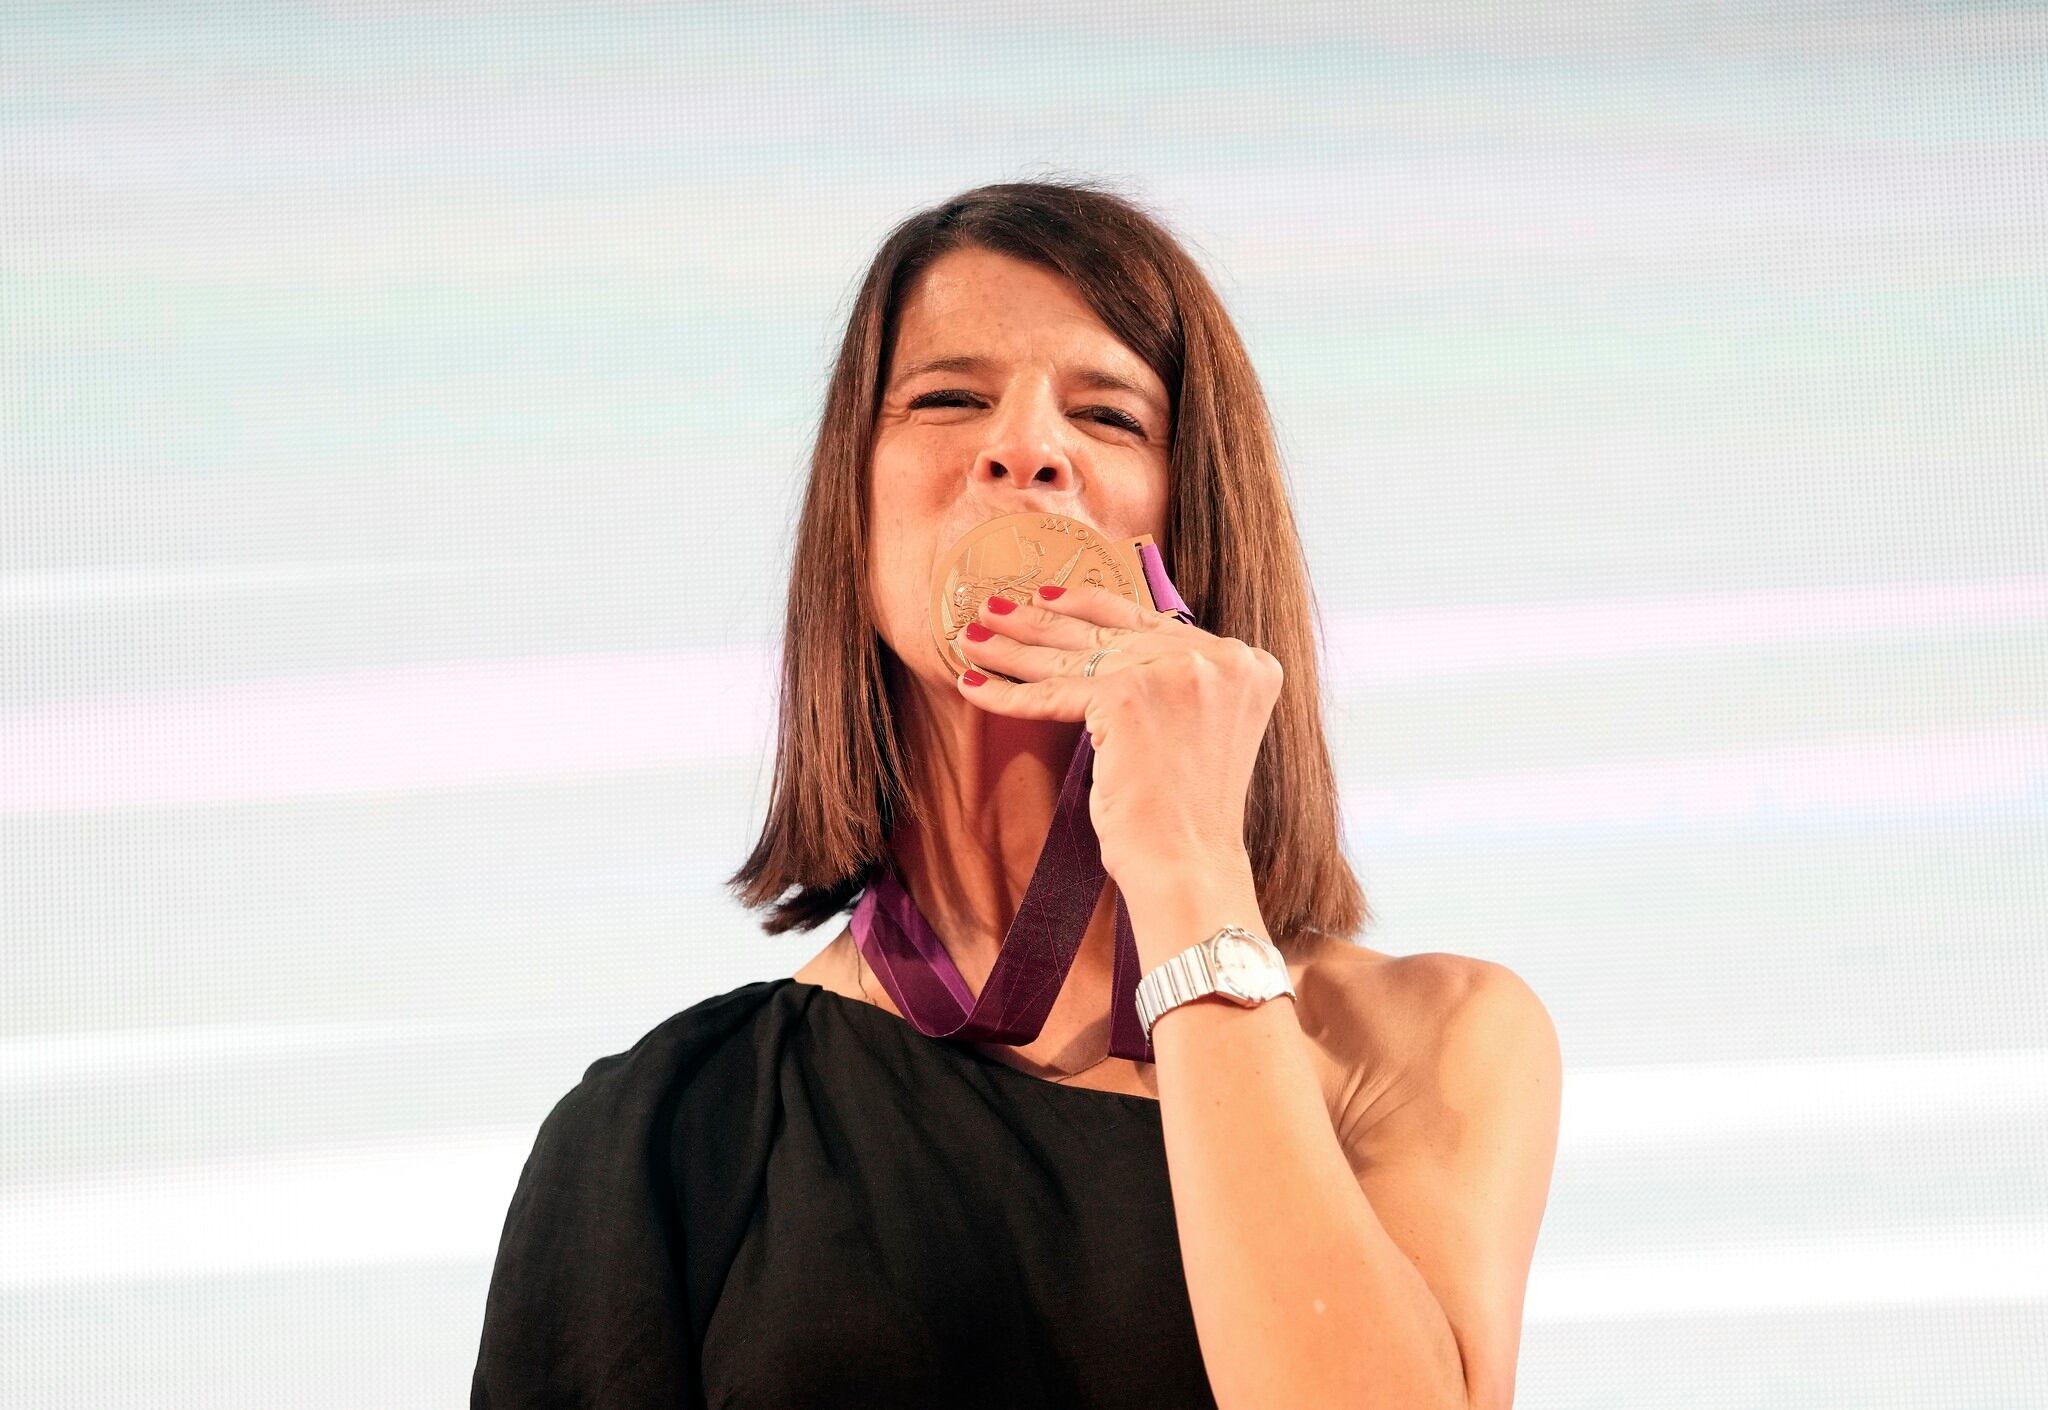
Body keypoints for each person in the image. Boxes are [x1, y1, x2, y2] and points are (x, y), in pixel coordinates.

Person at [471, 178, 1561, 1410]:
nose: (1026, 447)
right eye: (947, 398)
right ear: (852, 518)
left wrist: (1188, 860)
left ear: (1197, 529)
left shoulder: (1421, 1043)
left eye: (1107, 414)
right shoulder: (665, 1136)